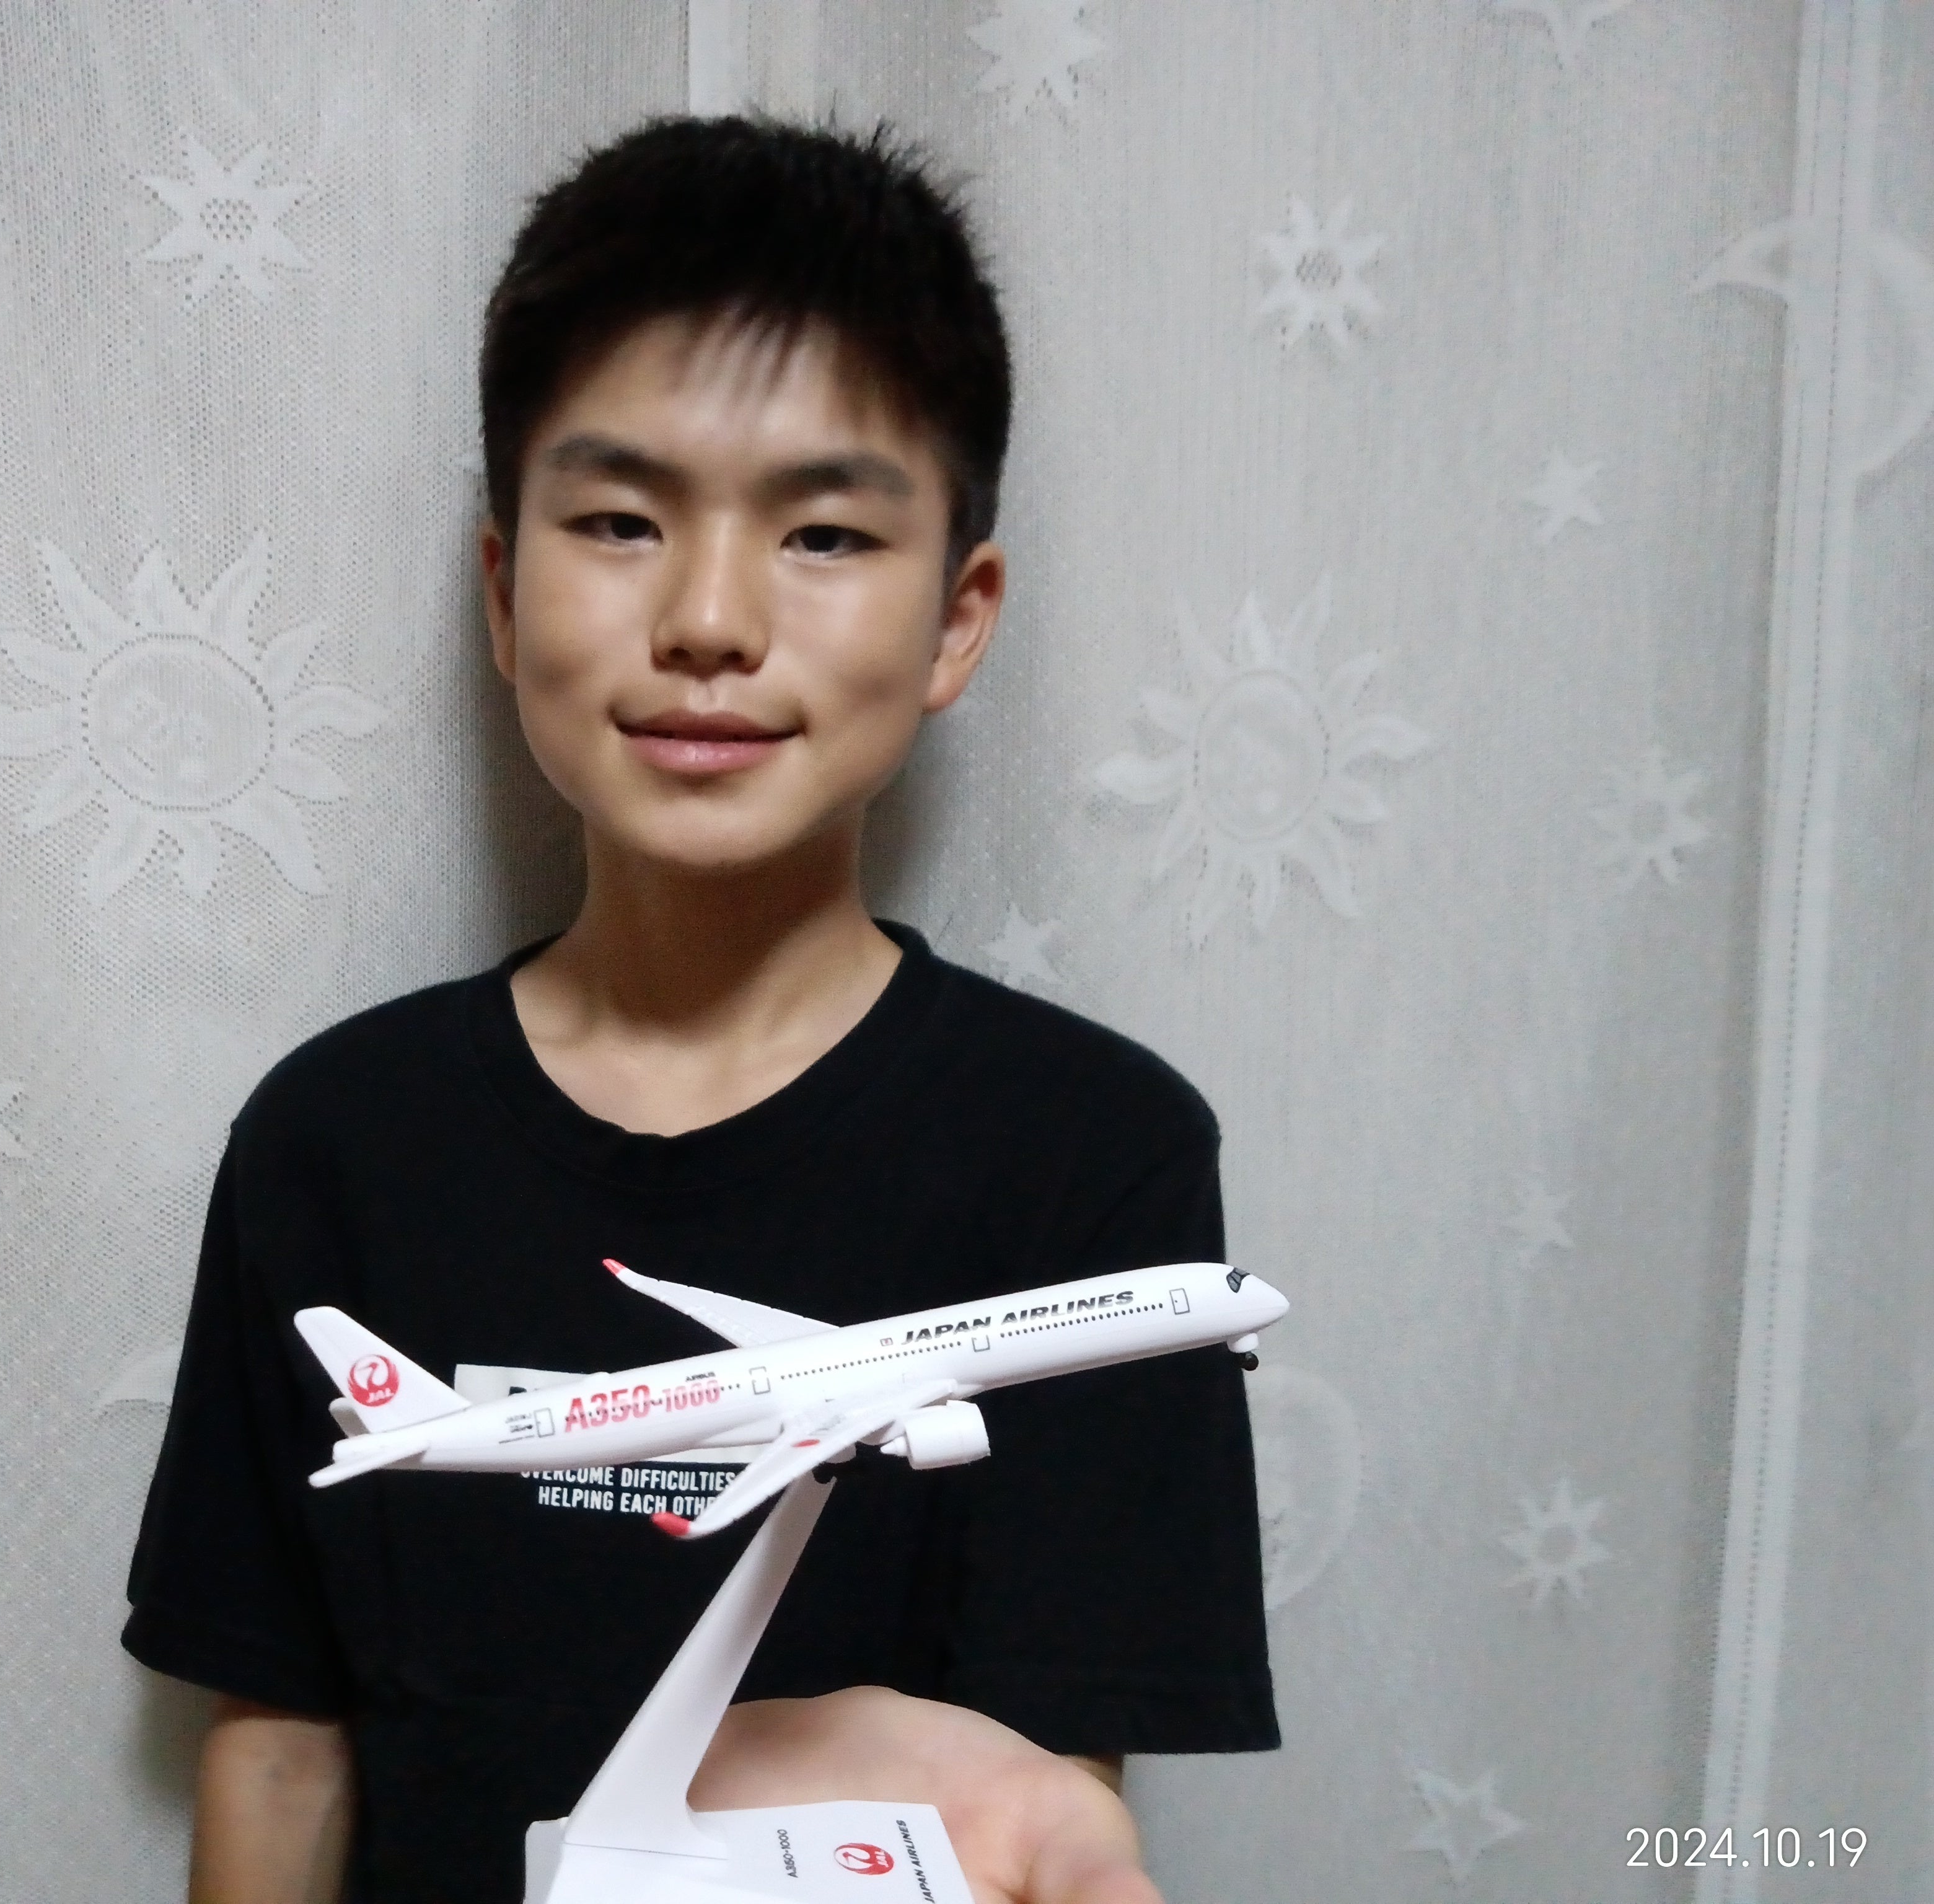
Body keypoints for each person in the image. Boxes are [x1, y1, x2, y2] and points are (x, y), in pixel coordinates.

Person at [123, 117, 1278, 1904]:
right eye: (619, 520)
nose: (711, 619)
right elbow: (277, 1749)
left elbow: (1046, 1799)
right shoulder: (333, 1139)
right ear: (502, 591)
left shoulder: (1098, 1156)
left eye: (824, 531)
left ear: (957, 618)